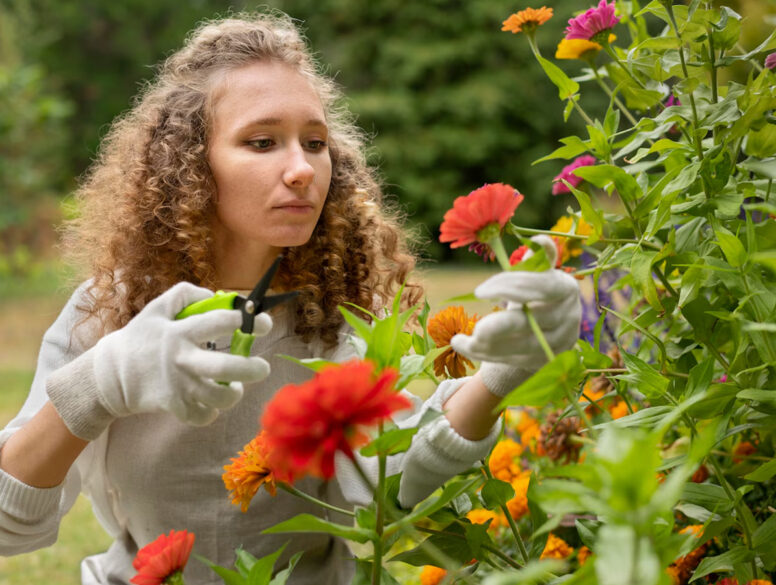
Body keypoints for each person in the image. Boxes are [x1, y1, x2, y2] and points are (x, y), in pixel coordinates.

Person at [0, 12, 581, 585]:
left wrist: (501, 377)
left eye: (316, 142)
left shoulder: (332, 317)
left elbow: (393, 487)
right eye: (262, 142)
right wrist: (97, 385)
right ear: (190, 165)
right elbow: (9, 526)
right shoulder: (108, 312)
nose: (303, 169)